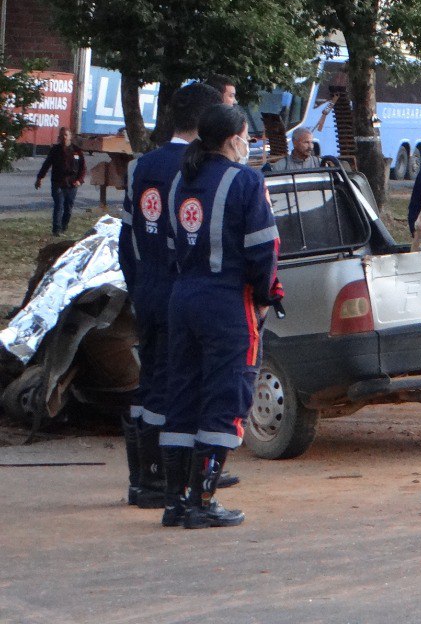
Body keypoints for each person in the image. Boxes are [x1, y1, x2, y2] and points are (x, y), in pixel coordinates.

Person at [159, 104, 283, 529]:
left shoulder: (181, 180)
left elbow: (172, 246)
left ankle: (174, 502)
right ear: (234, 139)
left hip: (183, 297)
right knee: (227, 396)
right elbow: (264, 250)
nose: (249, 144)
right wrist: (268, 295)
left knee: (183, 396)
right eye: (247, 136)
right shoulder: (247, 181)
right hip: (228, 303)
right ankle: (203, 502)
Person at [119, 82, 225, 509]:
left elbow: (129, 239)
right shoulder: (195, 167)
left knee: (151, 381)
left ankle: (144, 478)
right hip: (183, 290)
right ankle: (166, 478)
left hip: (148, 286)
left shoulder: (143, 164)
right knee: (180, 384)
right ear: (205, 123)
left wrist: (139, 282)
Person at [35, 127, 86, 236]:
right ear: (59, 137)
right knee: (59, 205)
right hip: (58, 182)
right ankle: (56, 230)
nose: (64, 137)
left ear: (70, 136)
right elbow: (46, 164)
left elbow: (83, 168)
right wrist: (40, 178)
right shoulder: (55, 150)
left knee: (68, 208)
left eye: (66, 135)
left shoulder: (77, 151)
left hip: (72, 184)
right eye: (62, 135)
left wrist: (79, 180)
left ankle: (64, 227)